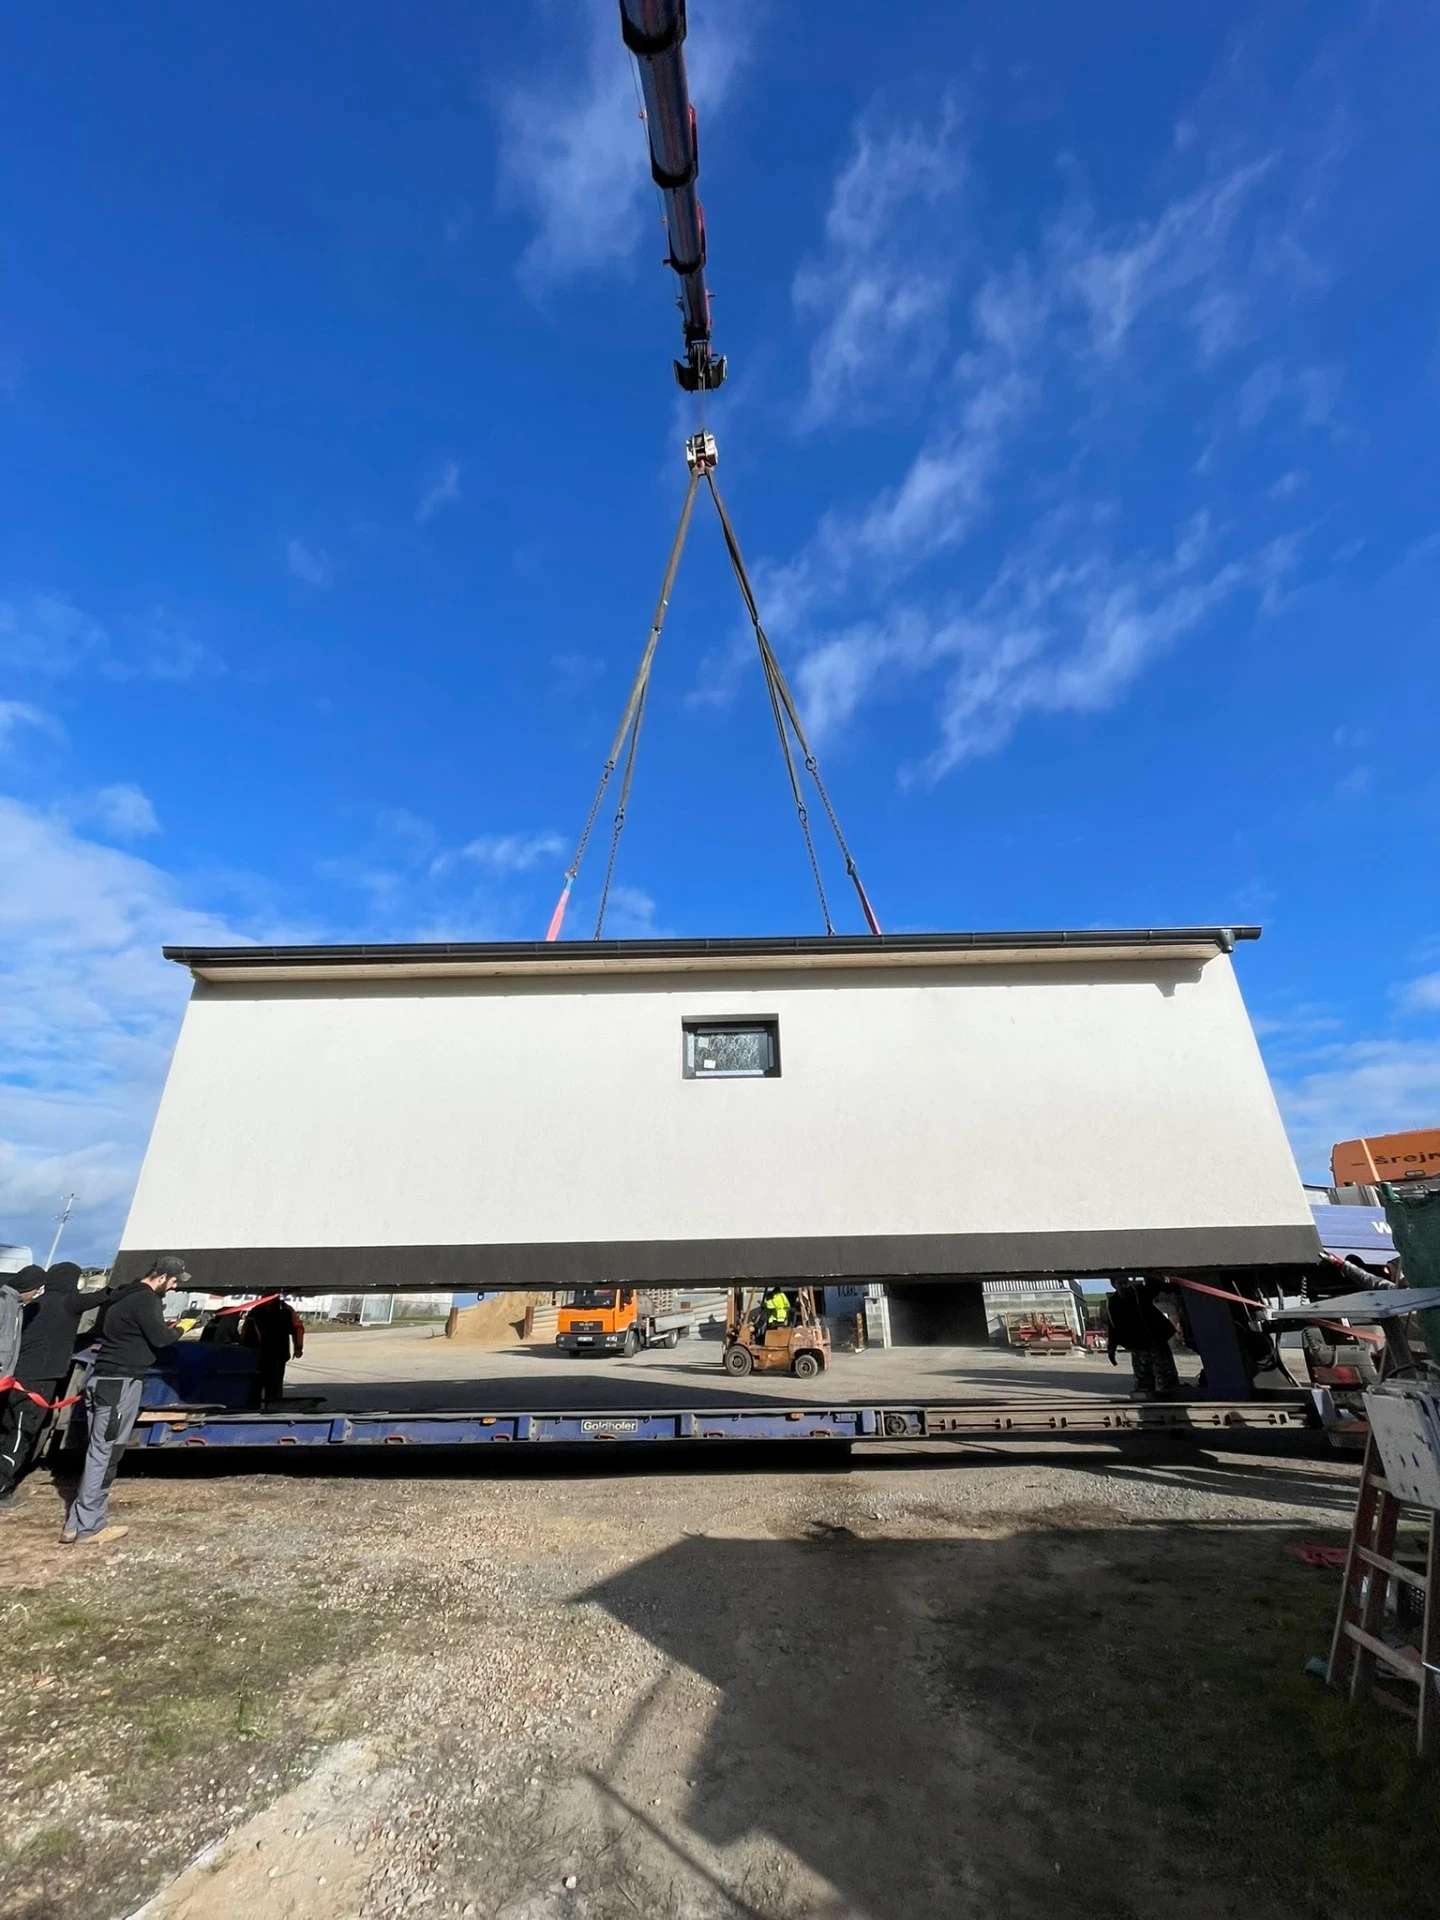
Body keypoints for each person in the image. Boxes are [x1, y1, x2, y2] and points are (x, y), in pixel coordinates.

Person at [61, 1254, 191, 1547]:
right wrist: (184, 1326)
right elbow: (161, 1339)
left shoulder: (122, 1297)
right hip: (120, 1385)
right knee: (106, 1453)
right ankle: (89, 1527)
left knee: (99, 1451)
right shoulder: (146, 1299)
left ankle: (75, 1524)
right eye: (173, 1281)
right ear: (161, 1277)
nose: (174, 1287)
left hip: (103, 1380)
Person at [0, 1263, 107, 1509]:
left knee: (7, 1431)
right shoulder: (67, 1302)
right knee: (21, 1435)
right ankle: (2, 1488)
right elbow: (101, 1297)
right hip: (38, 1381)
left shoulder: (32, 1305)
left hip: (14, 1379)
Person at [1105, 1275, 1180, 1398]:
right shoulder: (1112, 1303)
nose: (1124, 1286)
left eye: (1125, 1282)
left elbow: (1154, 1287)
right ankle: (1144, 1393)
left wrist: (1150, 1274)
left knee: (1165, 1371)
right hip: (1137, 1344)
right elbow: (1112, 1327)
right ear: (1113, 1285)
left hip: (1155, 1339)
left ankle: (1171, 1393)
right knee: (1142, 1374)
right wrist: (1111, 1349)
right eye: (1120, 1283)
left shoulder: (1139, 1292)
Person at [240, 1293, 306, 1409]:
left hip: (270, 1355)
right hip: (265, 1355)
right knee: (263, 1388)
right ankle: (261, 1409)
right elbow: (297, 1328)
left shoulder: (280, 1310)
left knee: (263, 1388)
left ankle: (261, 1409)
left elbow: (297, 1328)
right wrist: (298, 1347)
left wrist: (298, 1347)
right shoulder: (282, 1309)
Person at [1, 1265, 47, 1387]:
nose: (37, 1292)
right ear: (28, 1285)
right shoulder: (2, 1301)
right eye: (37, 1288)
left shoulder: (17, 1306)